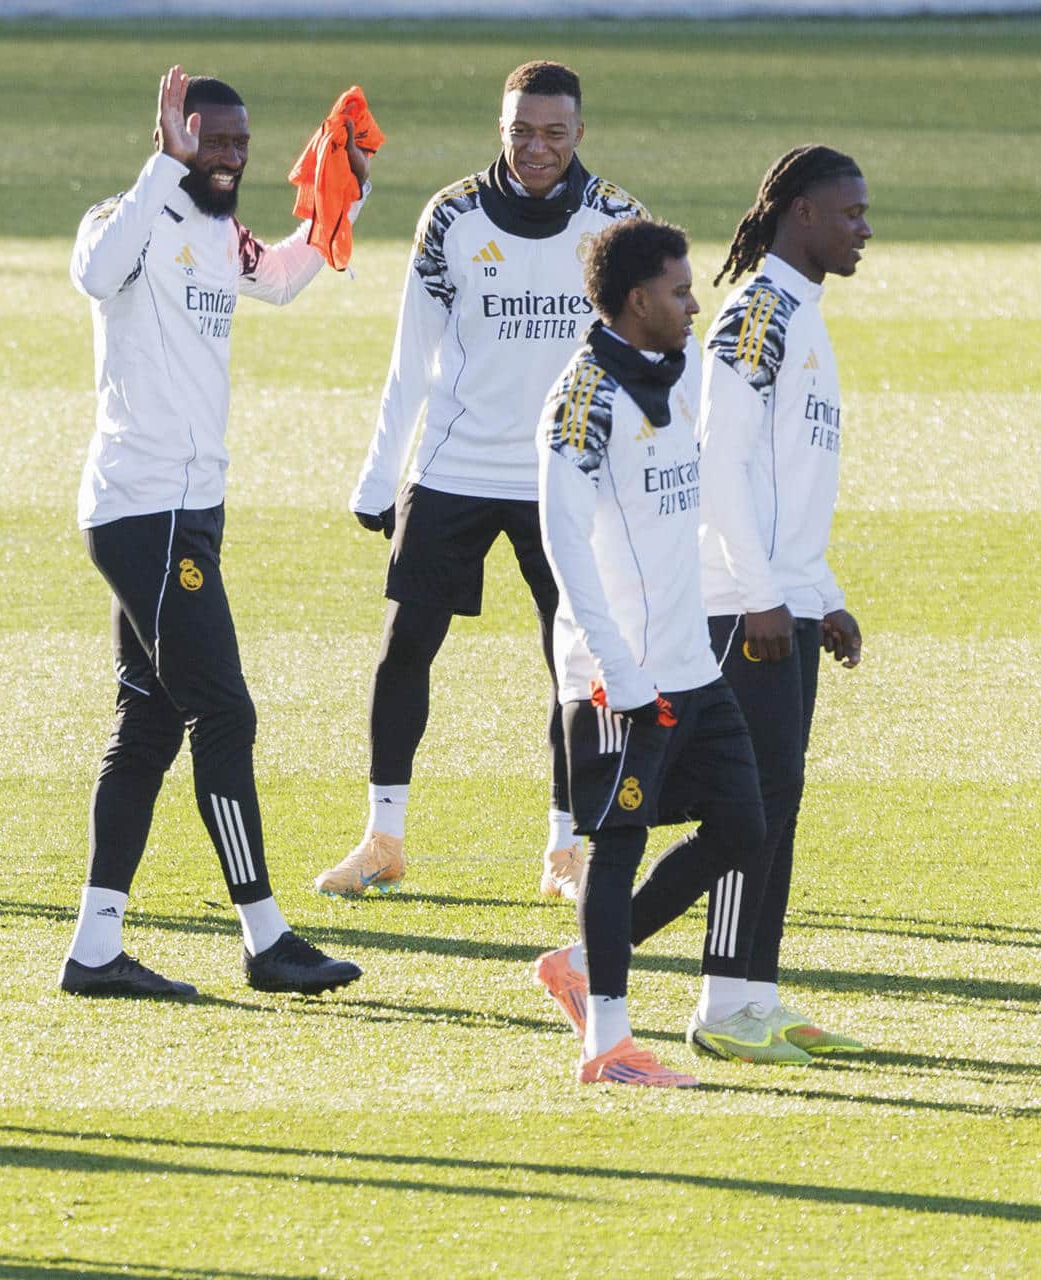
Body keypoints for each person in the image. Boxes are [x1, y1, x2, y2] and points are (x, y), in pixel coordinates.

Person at [61, 67, 368, 998]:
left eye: (240, 143)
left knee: (149, 724)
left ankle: (94, 948)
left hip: (189, 509)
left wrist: (340, 198)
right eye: (212, 140)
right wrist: (164, 164)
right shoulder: (130, 215)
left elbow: (278, 279)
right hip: (143, 507)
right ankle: (266, 938)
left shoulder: (218, 232)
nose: (229, 157)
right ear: (176, 134)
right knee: (225, 714)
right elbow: (93, 274)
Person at [317, 60, 646, 902]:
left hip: (565, 473)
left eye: (554, 132)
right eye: (520, 131)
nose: (536, 148)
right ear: (501, 128)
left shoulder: (619, 222)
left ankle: (566, 850)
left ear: (580, 133)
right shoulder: (452, 217)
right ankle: (383, 839)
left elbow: (648, 356)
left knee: (574, 663)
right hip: (454, 464)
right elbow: (410, 356)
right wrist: (378, 478)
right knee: (404, 650)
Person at [527, 218, 805, 1087]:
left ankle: (579, 966)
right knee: (617, 845)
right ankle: (607, 1045)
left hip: (692, 666)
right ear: (638, 299)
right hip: (622, 678)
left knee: (743, 824)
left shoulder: (671, 378)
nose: (694, 304)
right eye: (681, 292)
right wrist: (617, 670)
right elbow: (564, 545)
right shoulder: (582, 400)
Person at [690, 145, 873, 1056]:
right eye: (850, 214)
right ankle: (721, 1007)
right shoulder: (758, 313)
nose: (865, 230)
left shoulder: (800, 313)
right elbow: (719, 461)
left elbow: (786, 482)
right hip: (742, 602)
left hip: (783, 598)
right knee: (749, 804)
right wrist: (764, 595)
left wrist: (819, 593)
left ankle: (756, 994)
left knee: (780, 800)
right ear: (801, 213)